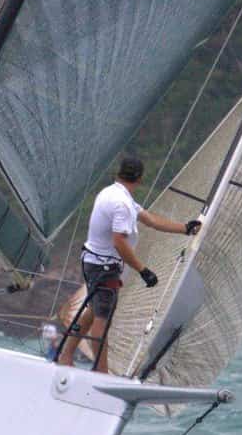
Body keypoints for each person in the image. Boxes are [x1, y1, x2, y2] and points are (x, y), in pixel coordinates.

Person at [56, 155, 201, 374]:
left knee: (93, 312)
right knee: (102, 320)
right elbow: (119, 242)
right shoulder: (122, 204)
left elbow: (151, 220)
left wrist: (185, 228)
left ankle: (65, 355)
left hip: (93, 262)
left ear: (118, 174)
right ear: (140, 178)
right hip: (104, 267)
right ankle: (101, 372)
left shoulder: (112, 193)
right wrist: (143, 270)